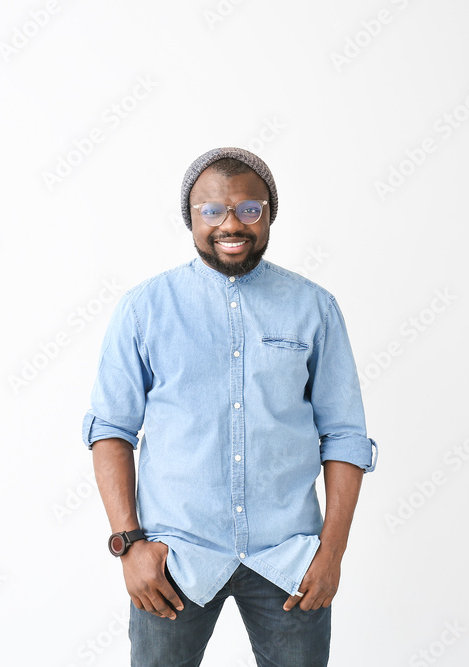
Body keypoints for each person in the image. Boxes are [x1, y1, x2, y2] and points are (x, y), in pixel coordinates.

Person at [81, 147, 378, 666]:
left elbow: (345, 436)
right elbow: (111, 429)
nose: (230, 223)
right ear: (191, 218)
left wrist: (331, 554)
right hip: (173, 559)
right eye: (212, 210)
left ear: (268, 213)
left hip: (290, 560)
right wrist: (130, 546)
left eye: (248, 208)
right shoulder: (144, 309)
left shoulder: (314, 307)